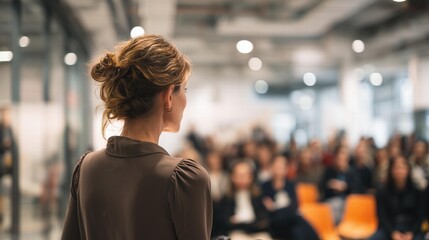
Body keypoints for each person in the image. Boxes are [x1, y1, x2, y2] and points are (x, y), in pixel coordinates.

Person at [61, 35, 212, 240]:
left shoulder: (86, 168)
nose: (185, 99)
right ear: (168, 96)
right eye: (184, 90)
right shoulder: (184, 179)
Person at [262, 155, 319, 240]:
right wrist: (282, 210)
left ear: (286, 169)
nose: (278, 169)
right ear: (271, 167)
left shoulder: (290, 185)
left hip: (291, 221)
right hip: (276, 223)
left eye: (281, 167)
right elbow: (268, 210)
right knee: (297, 221)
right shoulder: (265, 186)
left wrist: (276, 208)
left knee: (297, 229)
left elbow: (294, 205)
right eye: (276, 166)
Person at [370, 155, 424, 240]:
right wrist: (392, 232)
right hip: (389, 228)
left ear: (408, 169)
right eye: (396, 168)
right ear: (391, 170)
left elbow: (420, 216)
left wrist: (411, 233)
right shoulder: (382, 192)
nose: (399, 171)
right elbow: (382, 216)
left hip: (411, 229)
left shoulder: (417, 192)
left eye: (403, 168)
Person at [219, 160, 271, 240]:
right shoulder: (227, 198)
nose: (242, 178)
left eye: (245, 175)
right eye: (239, 175)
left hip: (257, 232)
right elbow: (225, 222)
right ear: (232, 177)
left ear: (251, 177)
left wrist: (244, 224)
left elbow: (264, 220)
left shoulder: (258, 196)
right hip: (237, 233)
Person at [320, 145, 360, 223]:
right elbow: (322, 188)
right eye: (339, 156)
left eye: (343, 155)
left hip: (347, 204)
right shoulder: (329, 171)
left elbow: (357, 191)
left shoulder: (353, 173)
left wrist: (345, 187)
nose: (340, 158)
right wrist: (330, 185)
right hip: (329, 201)